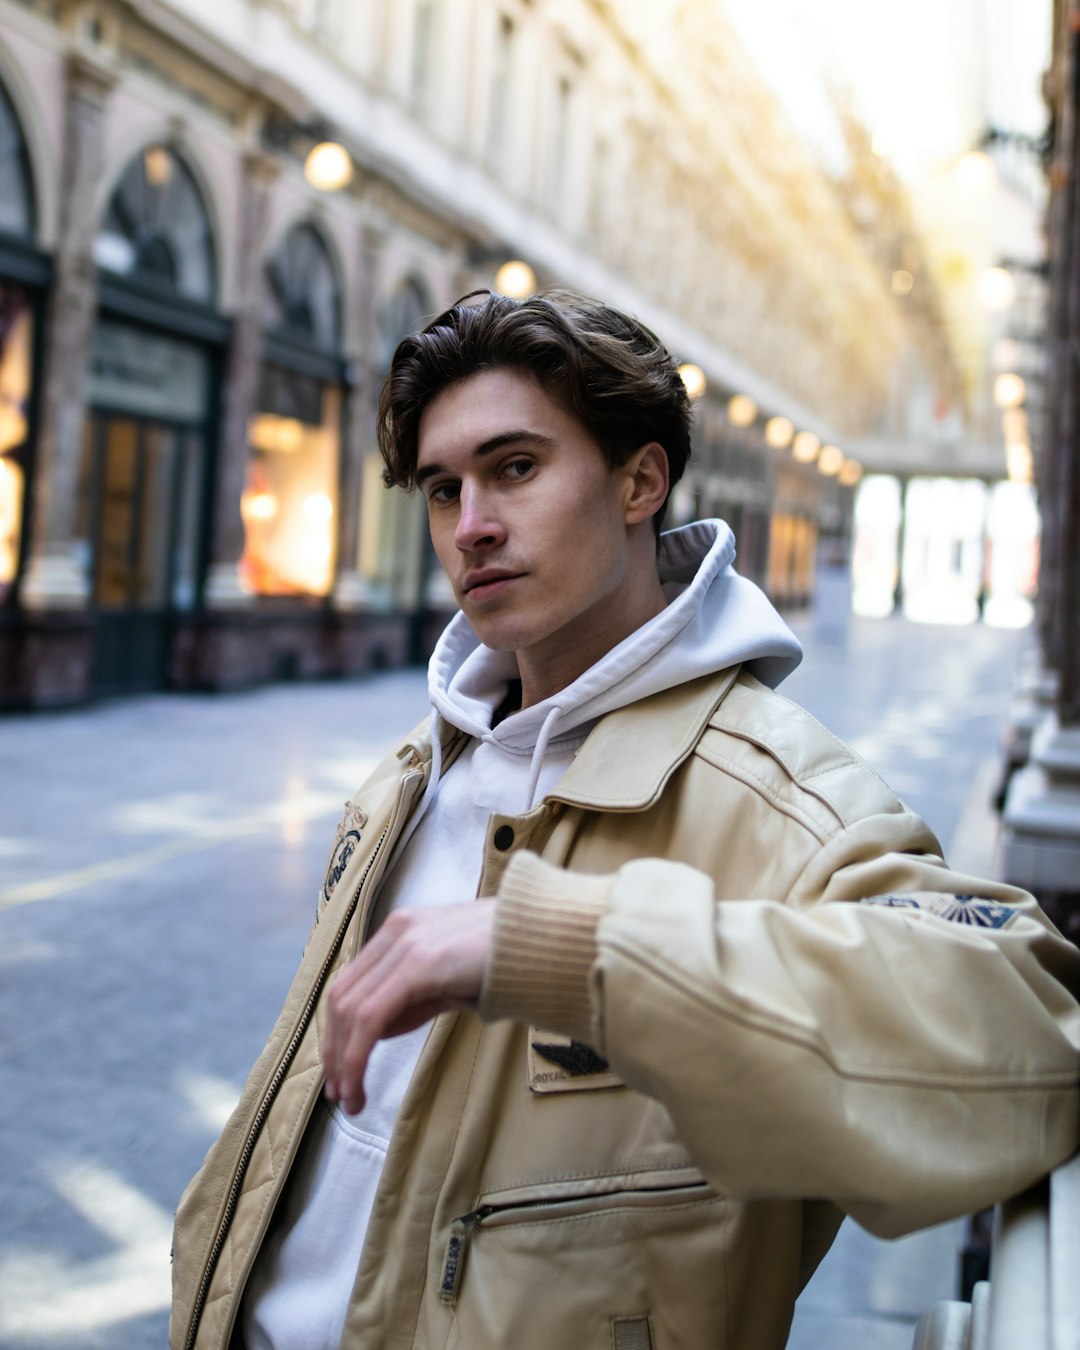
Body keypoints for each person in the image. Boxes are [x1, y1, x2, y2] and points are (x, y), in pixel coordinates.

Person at [171, 291, 1080, 1350]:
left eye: (516, 468)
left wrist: (570, 945)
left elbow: (1032, 1038)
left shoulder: (780, 795)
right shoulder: (415, 770)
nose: (472, 526)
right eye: (441, 489)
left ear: (640, 481)